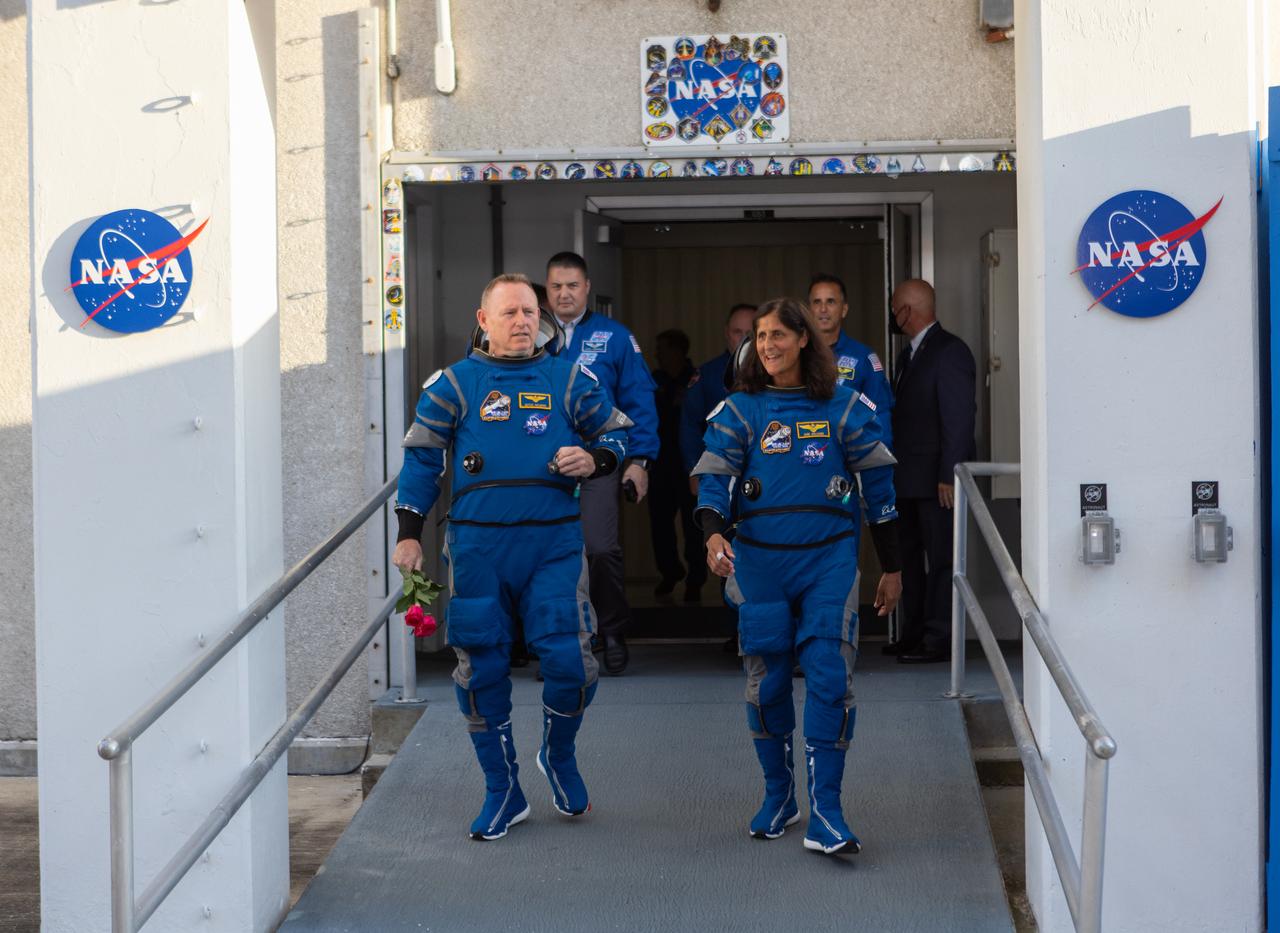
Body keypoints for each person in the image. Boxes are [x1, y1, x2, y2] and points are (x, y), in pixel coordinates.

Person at [392, 273, 631, 840]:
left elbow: (619, 437)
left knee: (571, 663)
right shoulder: (453, 384)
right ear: (484, 321)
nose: (522, 321)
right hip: (477, 547)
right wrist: (408, 533)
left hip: (552, 544)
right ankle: (503, 789)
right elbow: (423, 462)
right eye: (509, 313)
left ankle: (559, 754)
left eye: (529, 311)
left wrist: (594, 459)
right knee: (481, 667)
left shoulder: (570, 378)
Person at [694, 297, 902, 855]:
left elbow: (881, 497)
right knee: (768, 680)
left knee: (830, 674)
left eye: (778, 336)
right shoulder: (738, 411)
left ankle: (827, 811)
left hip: (829, 559)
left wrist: (893, 568)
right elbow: (714, 483)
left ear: (804, 339)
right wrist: (714, 534)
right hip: (759, 562)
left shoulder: (844, 407)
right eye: (760, 337)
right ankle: (779, 795)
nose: (767, 346)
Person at [546, 252, 659, 675]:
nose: (564, 294)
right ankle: (559, 642)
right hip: (544, 468)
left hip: (600, 460)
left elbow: (639, 402)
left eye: (572, 285)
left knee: (600, 548)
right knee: (552, 554)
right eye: (556, 286)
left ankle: (610, 630)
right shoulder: (530, 334)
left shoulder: (614, 337)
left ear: (587, 287)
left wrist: (640, 461)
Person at [886, 279, 976, 664]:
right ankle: (915, 631)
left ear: (907, 309)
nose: (893, 316)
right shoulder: (908, 355)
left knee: (940, 559)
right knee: (909, 560)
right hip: (906, 479)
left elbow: (957, 419)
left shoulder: (949, 351)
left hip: (935, 481)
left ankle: (938, 637)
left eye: (895, 308)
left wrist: (948, 474)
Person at [648, 329, 705, 602]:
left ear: (677, 351)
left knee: (693, 525)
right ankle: (670, 573)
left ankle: (696, 578)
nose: (657, 354)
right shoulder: (653, 380)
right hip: (659, 464)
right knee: (660, 524)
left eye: (662, 348)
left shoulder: (695, 379)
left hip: (688, 466)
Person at [679, 303, 757, 486]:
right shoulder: (707, 375)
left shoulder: (777, 375)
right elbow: (689, 424)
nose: (744, 338)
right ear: (727, 333)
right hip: (718, 472)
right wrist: (694, 468)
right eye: (738, 332)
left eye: (751, 333)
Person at [808, 274, 894, 429]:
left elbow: (879, 411)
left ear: (844, 310)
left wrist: (882, 452)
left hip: (849, 450)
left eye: (831, 302)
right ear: (809, 310)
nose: (823, 309)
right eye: (817, 302)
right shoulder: (796, 355)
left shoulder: (864, 358)